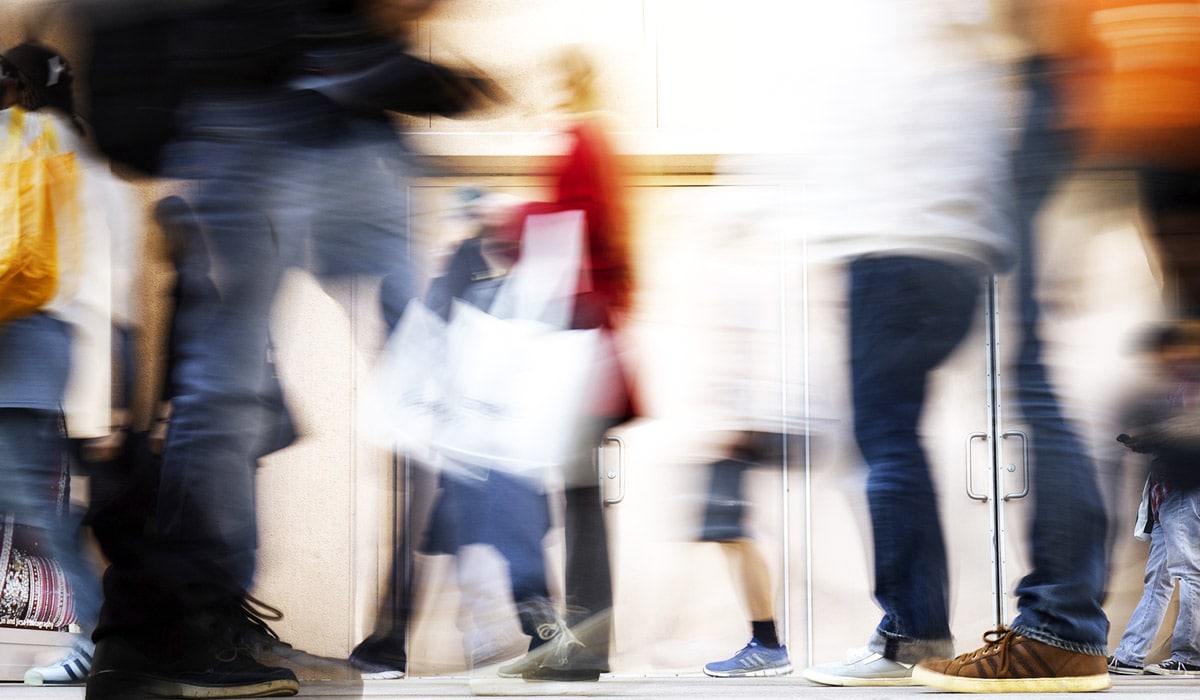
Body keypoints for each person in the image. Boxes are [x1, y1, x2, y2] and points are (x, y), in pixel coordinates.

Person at [70, 2, 496, 698]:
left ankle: (204, 620)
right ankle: (175, 626)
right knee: (229, 387)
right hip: (256, 105)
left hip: (332, 111)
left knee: (421, 377)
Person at [793, 1, 1111, 692]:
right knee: (1015, 394)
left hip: (903, 229)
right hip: (955, 221)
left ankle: (979, 631)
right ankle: (1034, 628)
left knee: (894, 432)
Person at [490, 45, 638, 683]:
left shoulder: (581, 141)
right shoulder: (598, 143)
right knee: (579, 501)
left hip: (579, 352)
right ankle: (581, 644)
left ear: (567, 83)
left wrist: (506, 217)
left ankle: (581, 646)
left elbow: (570, 229)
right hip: (592, 349)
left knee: (576, 502)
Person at [0, 39, 134, 687]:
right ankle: (101, 635)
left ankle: (97, 635)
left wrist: (103, 397)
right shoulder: (70, 147)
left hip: (25, 343)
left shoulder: (30, 142)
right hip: (40, 341)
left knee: (35, 501)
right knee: (35, 499)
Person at [1109, 320, 1200, 677]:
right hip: (1165, 494)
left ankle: (1189, 656)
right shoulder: (1173, 387)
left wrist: (1156, 435)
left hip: (1188, 492)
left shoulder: (1192, 384)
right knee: (1158, 578)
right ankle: (1131, 655)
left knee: (1189, 573)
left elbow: (1189, 431)